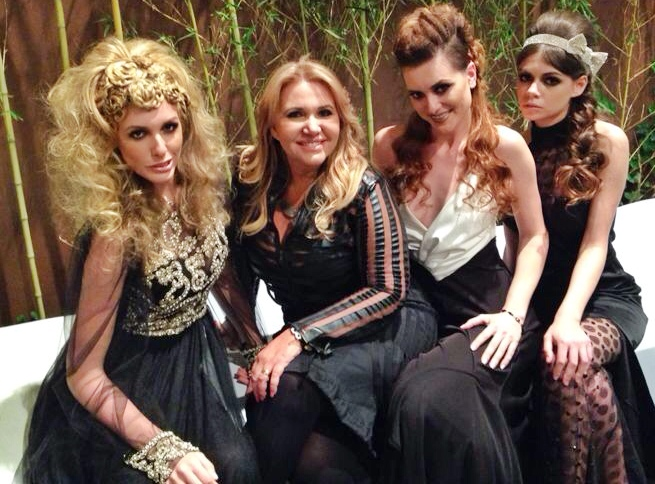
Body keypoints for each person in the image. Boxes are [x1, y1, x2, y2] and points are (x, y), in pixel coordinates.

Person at [17, 37, 260, 483]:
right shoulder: (116, 231)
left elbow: (216, 272)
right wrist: (163, 448)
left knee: (238, 467)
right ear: (112, 143)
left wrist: (252, 345)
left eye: (169, 127)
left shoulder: (201, 188)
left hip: (195, 356)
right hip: (128, 379)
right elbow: (84, 376)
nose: (161, 149)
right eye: (138, 134)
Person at [230, 57, 439, 484]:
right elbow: (238, 277)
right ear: (272, 127)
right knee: (313, 460)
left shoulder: (362, 186)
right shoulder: (250, 186)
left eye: (324, 113)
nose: (313, 126)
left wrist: (295, 336)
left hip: (384, 327)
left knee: (285, 387)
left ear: (340, 121)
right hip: (311, 335)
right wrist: (253, 349)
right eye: (296, 114)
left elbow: (388, 290)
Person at [372, 4, 548, 483]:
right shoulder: (389, 147)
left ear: (470, 72)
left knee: (423, 398)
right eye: (417, 94)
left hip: (488, 315)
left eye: (441, 88)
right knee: (405, 395)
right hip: (421, 316)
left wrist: (513, 316)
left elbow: (535, 237)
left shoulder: (506, 148)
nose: (430, 106)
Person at [509, 10, 655, 483]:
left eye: (549, 80)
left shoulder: (606, 143)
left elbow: (595, 243)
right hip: (541, 301)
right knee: (584, 384)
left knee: (567, 365)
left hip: (605, 297)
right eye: (525, 77)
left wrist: (569, 318)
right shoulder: (512, 148)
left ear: (579, 83)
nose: (531, 90)